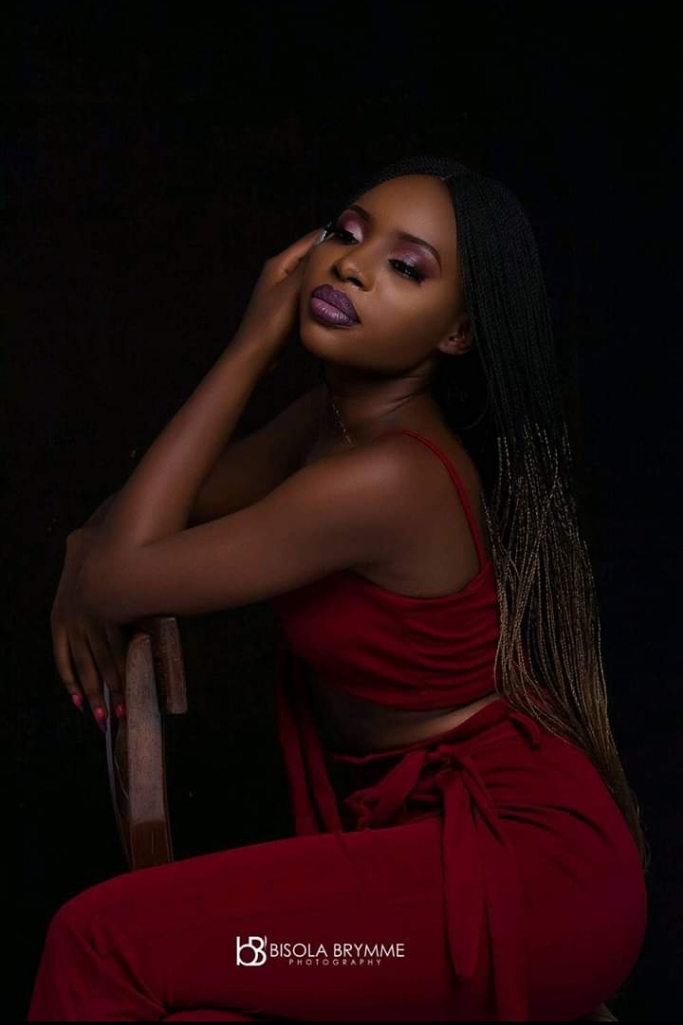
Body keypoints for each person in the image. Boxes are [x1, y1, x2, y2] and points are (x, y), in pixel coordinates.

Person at [30, 154, 648, 1021]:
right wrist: (79, 551)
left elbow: (118, 573)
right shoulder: (327, 429)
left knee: (102, 942)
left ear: (456, 333)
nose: (351, 265)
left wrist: (251, 345)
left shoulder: (389, 479)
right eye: (345, 233)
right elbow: (137, 523)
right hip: (422, 850)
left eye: (405, 267)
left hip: (525, 879)